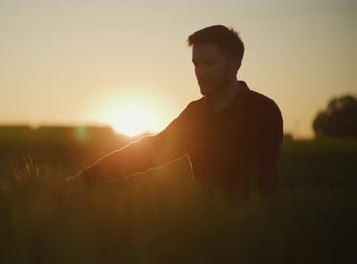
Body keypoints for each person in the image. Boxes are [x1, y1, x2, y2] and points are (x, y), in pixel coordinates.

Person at [68, 25, 283, 198]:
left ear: (235, 64)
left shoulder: (263, 111)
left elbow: (260, 182)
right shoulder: (195, 114)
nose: (200, 72)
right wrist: (87, 177)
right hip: (205, 223)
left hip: (253, 227)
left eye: (209, 63)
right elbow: (152, 150)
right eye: (196, 64)